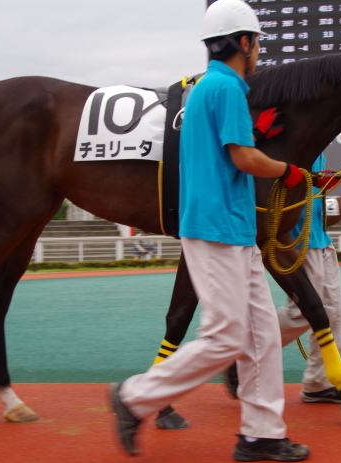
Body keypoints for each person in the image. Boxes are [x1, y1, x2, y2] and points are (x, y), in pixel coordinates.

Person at [108, 1, 310, 460]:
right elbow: (245, 158)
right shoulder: (227, 89)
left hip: (231, 229)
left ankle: (262, 434)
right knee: (226, 336)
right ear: (244, 42)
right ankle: (133, 398)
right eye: (256, 42)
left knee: (260, 337)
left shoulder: (208, 88)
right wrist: (289, 171)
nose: (258, 51)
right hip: (218, 228)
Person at [276, 154, 341, 404]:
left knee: (333, 314)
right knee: (302, 313)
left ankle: (318, 384)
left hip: (320, 239)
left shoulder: (322, 148)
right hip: (296, 240)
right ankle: (241, 350)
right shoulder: (292, 130)